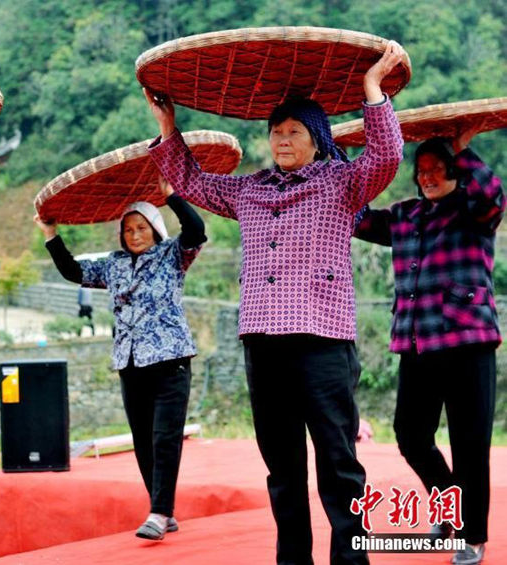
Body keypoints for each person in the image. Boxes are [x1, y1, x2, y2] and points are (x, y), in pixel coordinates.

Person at [144, 41, 407, 564]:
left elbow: (388, 156)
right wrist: (168, 126)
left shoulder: (343, 183)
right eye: (277, 132)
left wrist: (371, 91)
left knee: (338, 463)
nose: (283, 141)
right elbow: (192, 181)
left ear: (317, 140)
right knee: (283, 468)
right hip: (264, 344)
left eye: (295, 133)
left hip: (323, 344)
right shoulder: (251, 190)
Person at [354, 132, 503, 565]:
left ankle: (472, 535)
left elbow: (493, 194)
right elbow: (358, 218)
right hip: (417, 344)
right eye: (422, 170)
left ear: (454, 171)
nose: (428, 176)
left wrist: (460, 147)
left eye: (438, 168)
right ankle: (451, 504)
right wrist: (340, 160)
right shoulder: (403, 215)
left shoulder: (475, 212)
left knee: (469, 443)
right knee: (411, 435)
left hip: (467, 342)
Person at [35, 179, 206, 540]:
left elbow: (196, 229)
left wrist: (172, 197)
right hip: (130, 363)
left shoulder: (173, 255)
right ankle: (163, 509)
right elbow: (73, 271)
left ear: (155, 229)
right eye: (128, 229)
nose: (134, 234)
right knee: (143, 439)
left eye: (141, 227)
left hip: (170, 359)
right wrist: (51, 235)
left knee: (164, 438)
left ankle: (159, 512)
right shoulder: (113, 266)